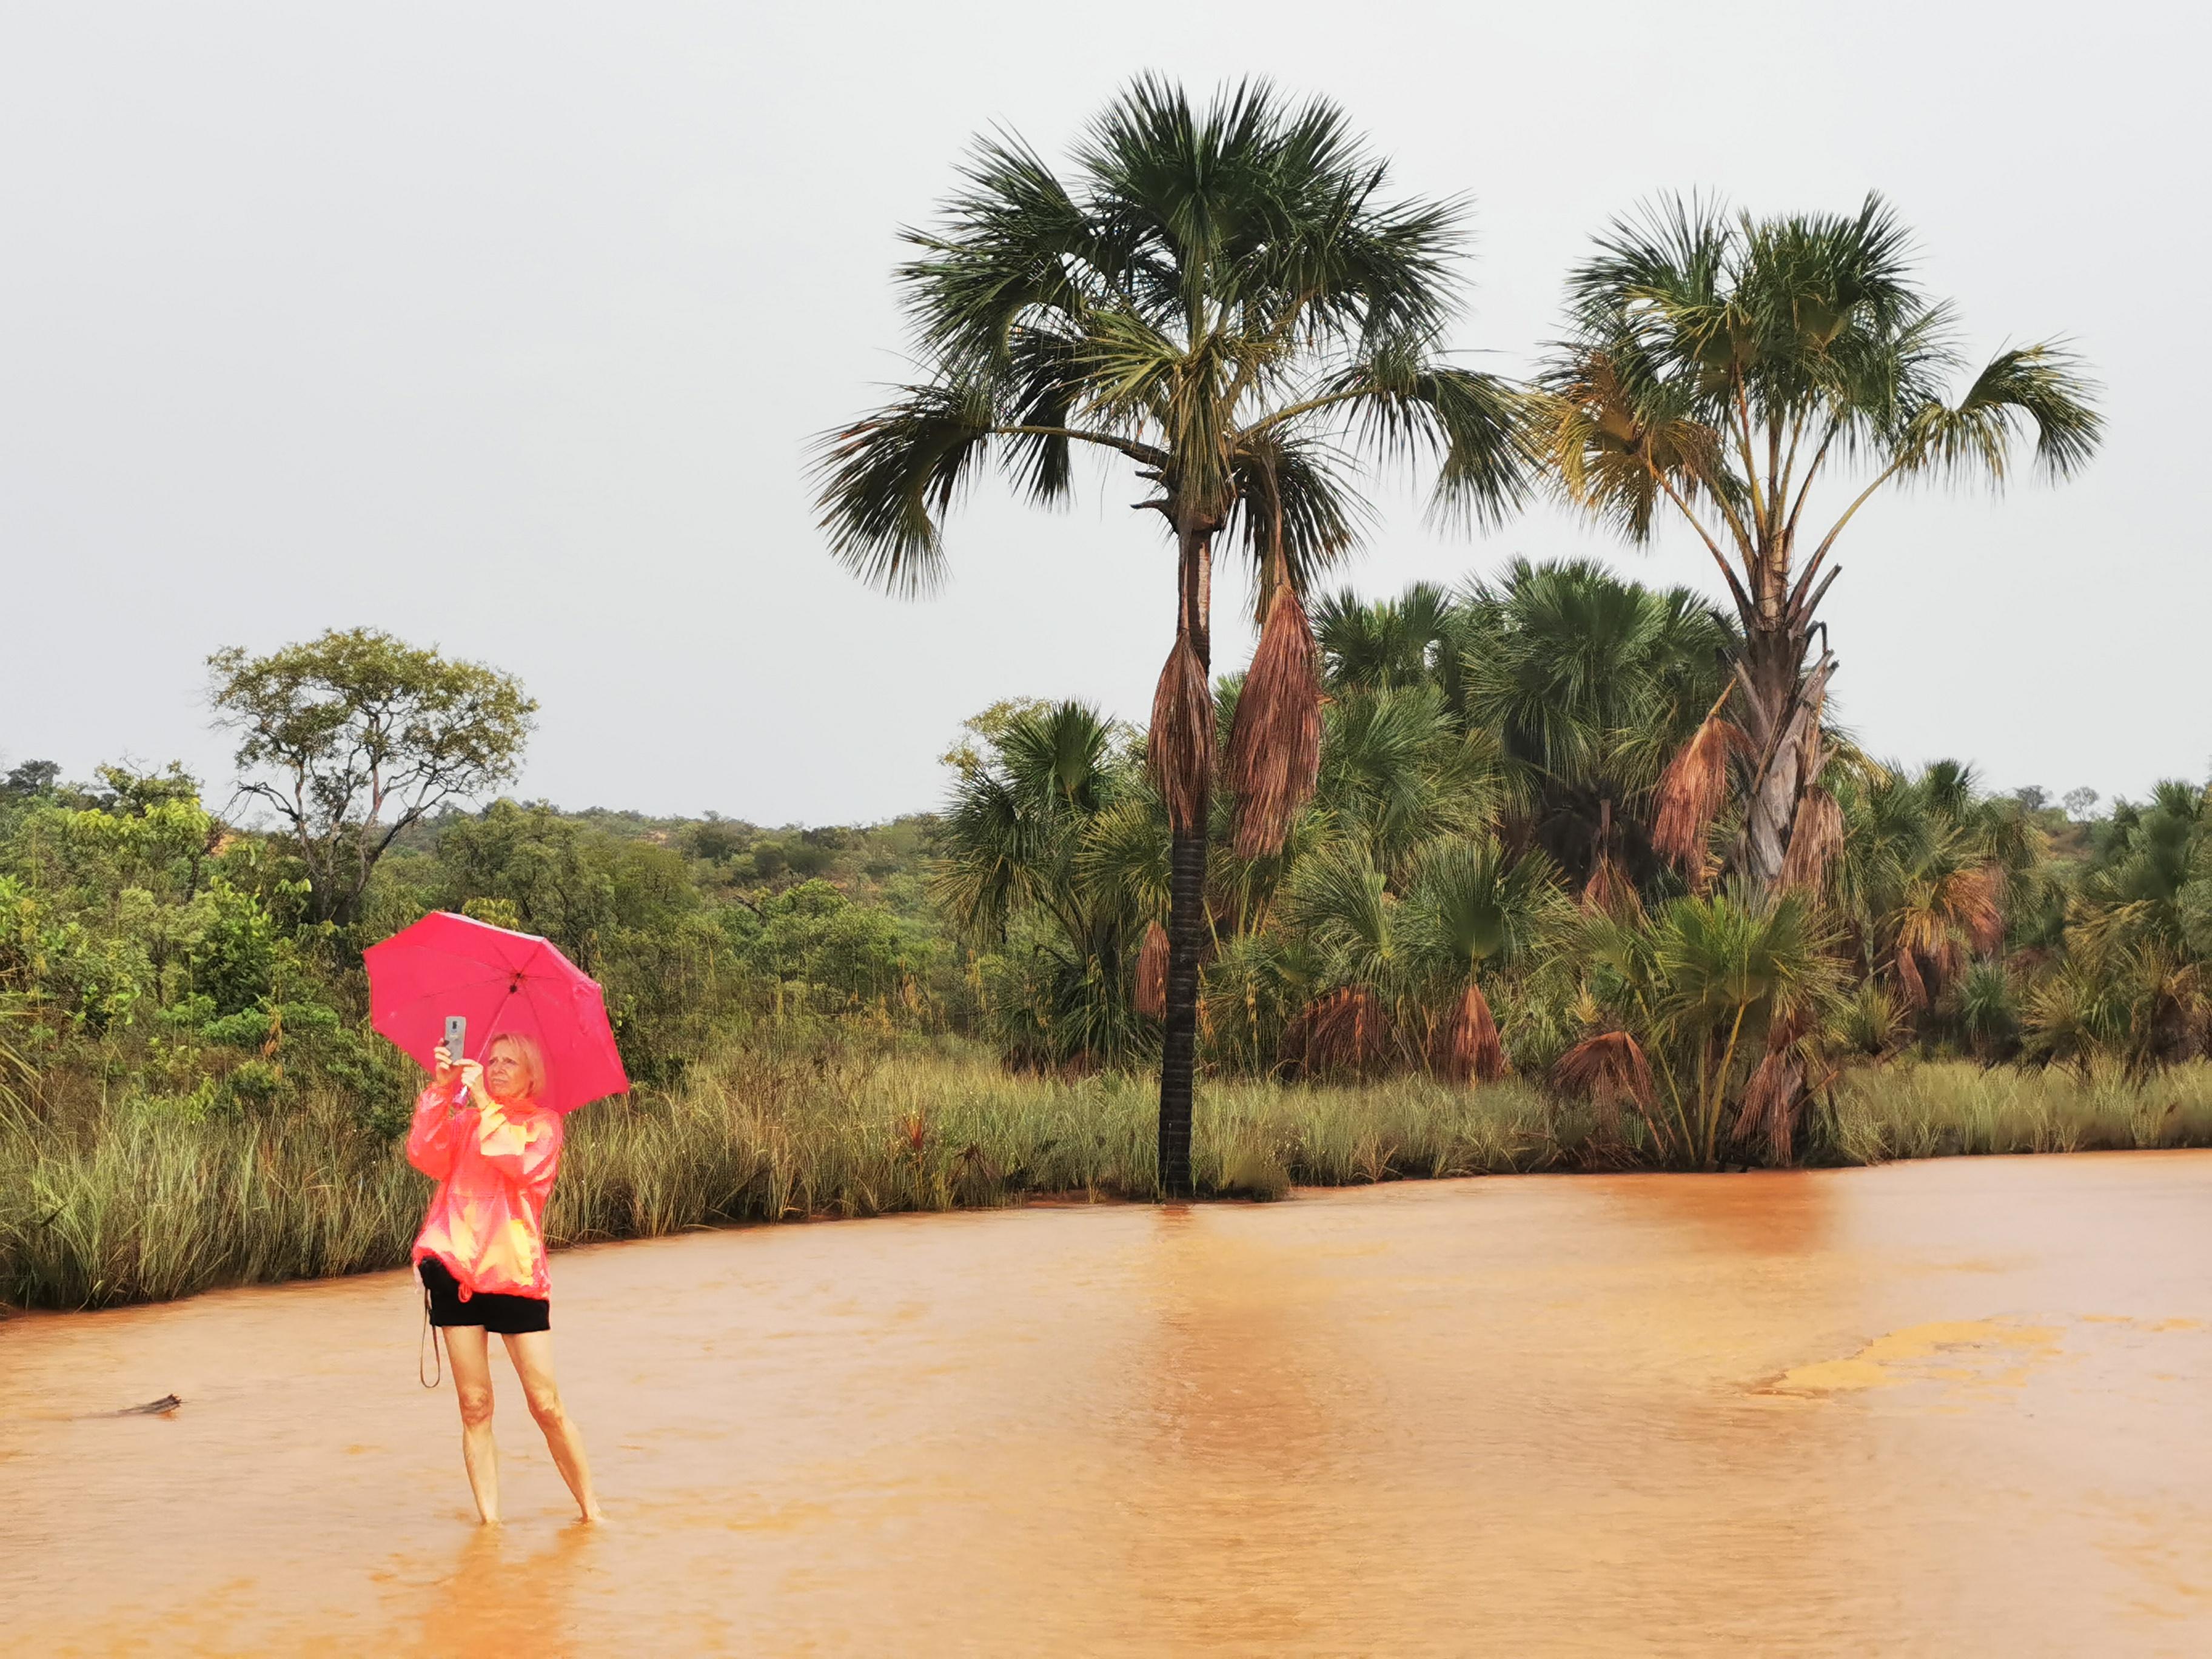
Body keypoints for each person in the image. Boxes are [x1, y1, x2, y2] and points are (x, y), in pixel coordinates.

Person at [407, 1030, 603, 1524]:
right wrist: (439, 1091)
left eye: (509, 1062)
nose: (495, 1068)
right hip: (454, 1267)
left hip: (515, 1274)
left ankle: (591, 1513)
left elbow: (516, 1161)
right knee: (475, 1405)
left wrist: (477, 1097)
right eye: (491, 1060)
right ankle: (490, 1527)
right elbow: (425, 1156)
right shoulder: (468, 1121)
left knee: (545, 1403)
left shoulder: (544, 1126)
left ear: (532, 1075)